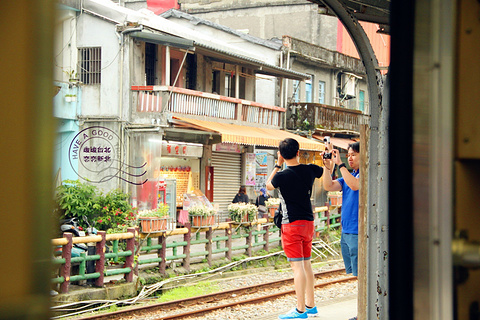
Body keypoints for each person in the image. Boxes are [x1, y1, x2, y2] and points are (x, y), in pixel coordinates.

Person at [266, 138, 323, 319]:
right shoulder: (310, 169)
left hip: (291, 225)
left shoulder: (282, 176)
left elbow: (268, 186)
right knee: (307, 264)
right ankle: (311, 305)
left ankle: (300, 310)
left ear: (282, 155)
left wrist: (277, 164)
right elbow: (324, 170)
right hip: (308, 222)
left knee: (297, 267)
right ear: (298, 152)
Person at [322, 142, 360, 278]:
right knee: (354, 274)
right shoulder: (348, 176)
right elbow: (328, 185)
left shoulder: (365, 175)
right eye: (348, 155)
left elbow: (355, 185)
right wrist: (327, 167)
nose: (350, 158)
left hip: (358, 231)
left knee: (360, 274)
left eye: (354, 155)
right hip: (346, 230)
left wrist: (340, 164)